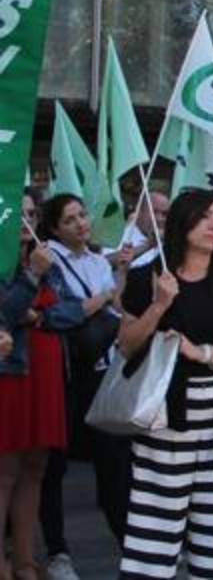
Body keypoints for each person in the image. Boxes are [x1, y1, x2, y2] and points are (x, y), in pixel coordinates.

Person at [116, 188, 213, 578]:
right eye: (204, 216)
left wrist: (204, 353)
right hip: (163, 422)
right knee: (154, 531)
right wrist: (160, 305)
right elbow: (126, 346)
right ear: (183, 221)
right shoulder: (148, 278)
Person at [40, 193, 130, 568]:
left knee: (114, 461)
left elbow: (115, 311)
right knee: (54, 468)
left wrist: (118, 278)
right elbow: (61, 314)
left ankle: (129, 540)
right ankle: (58, 550)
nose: (81, 223)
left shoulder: (97, 260)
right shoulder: (49, 260)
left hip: (103, 373)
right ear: (54, 228)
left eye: (82, 214)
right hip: (66, 374)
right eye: (70, 219)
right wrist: (104, 297)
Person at [0, 192, 82, 580]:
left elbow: (72, 311)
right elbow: (6, 312)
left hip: (47, 375)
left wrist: (35, 317)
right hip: (13, 375)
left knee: (36, 469)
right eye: (20, 214)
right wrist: (30, 276)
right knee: (6, 471)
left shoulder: (50, 259)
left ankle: (26, 561)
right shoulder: (19, 265)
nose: (27, 222)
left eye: (32, 213)